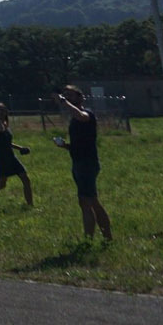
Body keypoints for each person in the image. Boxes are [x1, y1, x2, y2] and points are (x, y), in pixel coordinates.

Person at [53, 86, 112, 241]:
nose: (67, 98)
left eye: (70, 95)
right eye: (65, 95)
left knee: (92, 200)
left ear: (80, 98)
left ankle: (107, 237)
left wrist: (63, 102)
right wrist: (64, 145)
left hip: (87, 163)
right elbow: (78, 144)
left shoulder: (87, 114)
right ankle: (88, 239)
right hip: (78, 162)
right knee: (84, 202)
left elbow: (81, 115)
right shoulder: (74, 119)